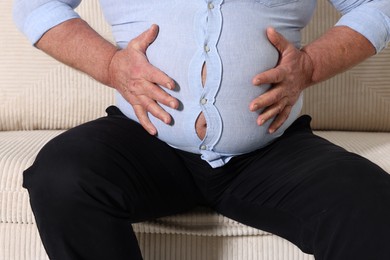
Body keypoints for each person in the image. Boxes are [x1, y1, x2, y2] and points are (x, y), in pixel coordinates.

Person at [13, 0, 390, 259]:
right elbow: (36, 4)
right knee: (62, 177)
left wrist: (310, 66)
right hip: (144, 138)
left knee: (372, 204)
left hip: (272, 146)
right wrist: (110, 65)